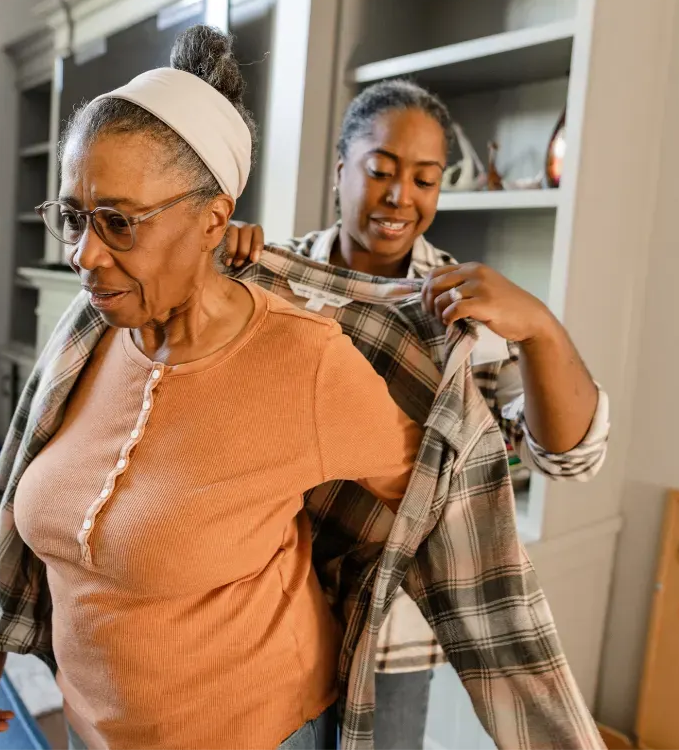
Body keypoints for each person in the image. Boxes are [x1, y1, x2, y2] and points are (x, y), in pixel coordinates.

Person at [0, 26, 425, 750]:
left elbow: (438, 498)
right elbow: (28, 490)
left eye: (118, 223)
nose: (83, 255)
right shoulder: (90, 330)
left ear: (214, 220)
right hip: (93, 727)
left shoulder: (305, 360)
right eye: (73, 216)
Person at [223, 78, 609, 749]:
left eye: (426, 180)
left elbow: (567, 457)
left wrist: (539, 328)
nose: (402, 197)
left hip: (390, 639)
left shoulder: (461, 311)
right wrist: (218, 267)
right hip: (264, 608)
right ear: (342, 170)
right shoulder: (271, 278)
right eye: (381, 171)